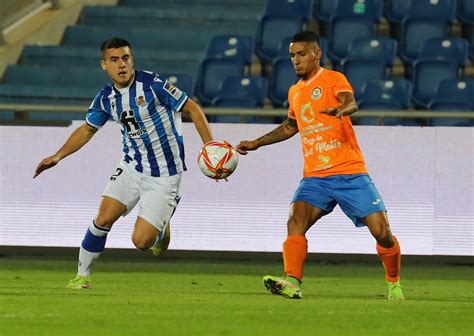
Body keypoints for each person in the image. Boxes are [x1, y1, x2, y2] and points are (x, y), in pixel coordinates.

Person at [34, 37, 214, 289]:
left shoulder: (152, 84)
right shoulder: (105, 97)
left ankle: (161, 228)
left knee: (141, 241)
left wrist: (210, 146)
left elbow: (193, 108)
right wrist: (57, 155)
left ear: (132, 60)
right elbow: (87, 130)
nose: (122, 65)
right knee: (103, 218)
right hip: (131, 166)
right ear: (104, 65)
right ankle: (82, 276)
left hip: (164, 174)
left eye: (126, 58)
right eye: (114, 60)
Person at [236, 31, 404, 300]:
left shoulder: (333, 79)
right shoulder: (294, 92)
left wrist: (342, 110)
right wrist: (257, 143)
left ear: (316, 53)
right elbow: (292, 125)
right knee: (295, 222)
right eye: (292, 55)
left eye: (301, 54)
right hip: (315, 177)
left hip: (350, 172)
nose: (296, 60)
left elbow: (350, 102)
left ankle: (393, 282)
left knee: (382, 233)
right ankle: (292, 281)